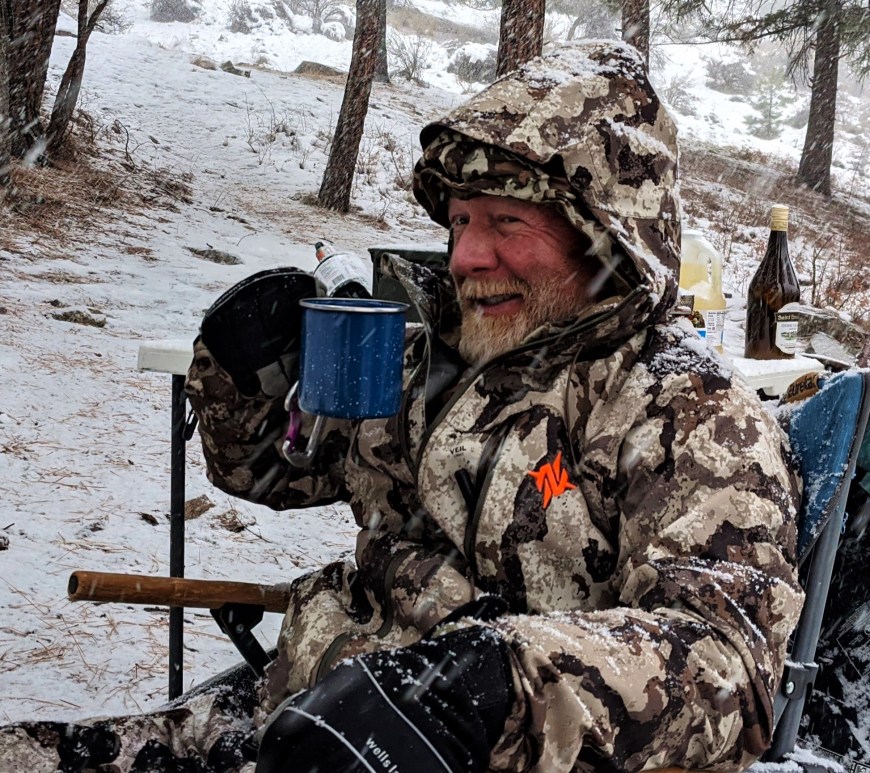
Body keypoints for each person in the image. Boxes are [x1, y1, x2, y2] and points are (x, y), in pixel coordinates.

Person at [0, 39, 803, 772]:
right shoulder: (438, 361)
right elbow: (280, 470)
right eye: (458, 220)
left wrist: (495, 686)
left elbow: (724, 665)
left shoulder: (694, 414)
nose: (464, 256)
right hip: (301, 708)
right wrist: (242, 374)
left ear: (604, 239)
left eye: (504, 222)